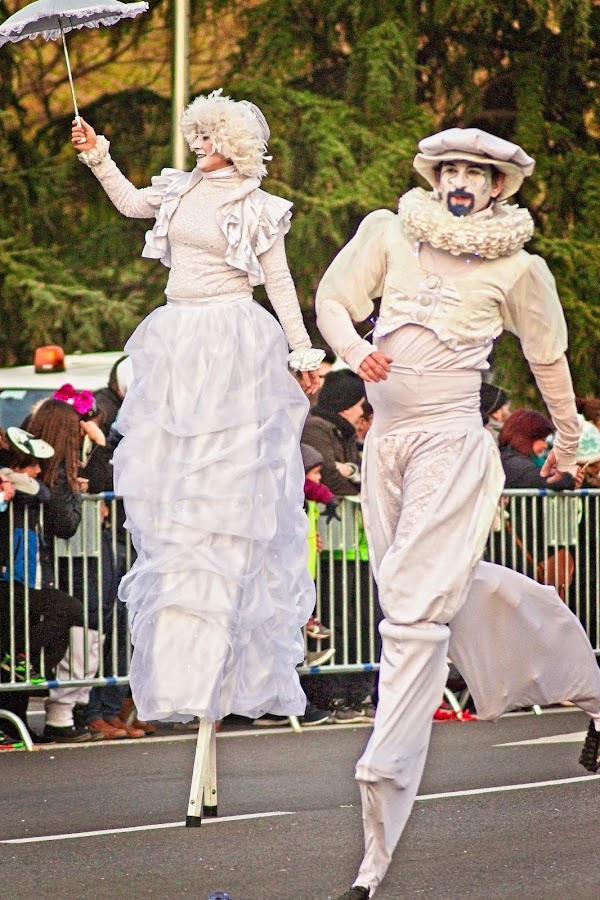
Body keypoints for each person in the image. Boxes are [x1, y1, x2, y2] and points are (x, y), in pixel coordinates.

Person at [314, 127, 600, 898]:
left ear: (500, 186)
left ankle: (377, 826)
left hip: (450, 443)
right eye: (450, 169)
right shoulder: (387, 231)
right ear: (435, 177)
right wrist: (352, 350)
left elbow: (548, 358)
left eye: (477, 171)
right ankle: (589, 684)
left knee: (412, 615)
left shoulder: (519, 268)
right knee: (444, 592)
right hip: (389, 448)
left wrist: (566, 446)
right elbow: (333, 301)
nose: (461, 181)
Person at [70, 89, 324, 727]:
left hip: (232, 334)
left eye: (211, 139)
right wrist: (98, 155)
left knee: (228, 467)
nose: (200, 148)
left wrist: (301, 351)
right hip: (178, 331)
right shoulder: (180, 191)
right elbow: (132, 204)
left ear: (235, 145)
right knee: (176, 466)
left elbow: (282, 280)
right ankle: (184, 649)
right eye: (198, 137)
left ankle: (231, 645)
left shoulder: (257, 207)